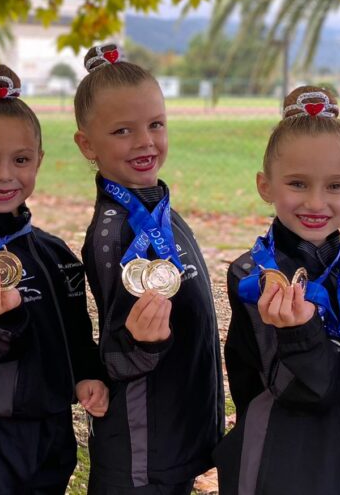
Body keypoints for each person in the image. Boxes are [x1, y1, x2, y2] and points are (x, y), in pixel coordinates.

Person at [0, 64, 108, 494]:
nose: (4, 175)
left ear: (39, 162)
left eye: (21, 160)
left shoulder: (57, 254)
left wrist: (87, 373)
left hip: (50, 429)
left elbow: (76, 330)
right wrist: (5, 317)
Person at [215, 86, 340, 495]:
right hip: (283, 472)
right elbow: (300, 391)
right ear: (265, 186)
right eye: (297, 183)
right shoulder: (255, 277)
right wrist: (298, 332)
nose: (315, 202)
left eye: (335, 186)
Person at [73, 43, 223, 494]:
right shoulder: (113, 235)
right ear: (87, 145)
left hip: (176, 425)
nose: (145, 142)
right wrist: (145, 342)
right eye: (122, 131)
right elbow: (118, 357)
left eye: (156, 125)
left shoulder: (157, 206)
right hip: (141, 449)